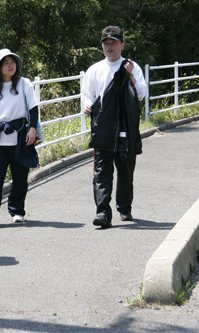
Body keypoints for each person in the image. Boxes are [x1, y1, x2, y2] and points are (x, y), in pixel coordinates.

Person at [81, 26, 146, 228]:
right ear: (102, 46)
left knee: (126, 169)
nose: (109, 47)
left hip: (126, 126)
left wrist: (131, 75)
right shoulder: (95, 69)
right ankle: (103, 213)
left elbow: (141, 94)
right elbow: (87, 93)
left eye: (114, 43)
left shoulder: (131, 66)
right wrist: (86, 104)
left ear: (122, 45)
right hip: (103, 127)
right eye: (106, 43)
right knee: (102, 171)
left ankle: (124, 208)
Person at [0, 48, 40, 228]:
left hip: (20, 135)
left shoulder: (24, 83)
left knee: (20, 177)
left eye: (13, 62)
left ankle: (17, 211)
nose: (11, 66)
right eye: (6, 63)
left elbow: (33, 108)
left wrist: (32, 129)